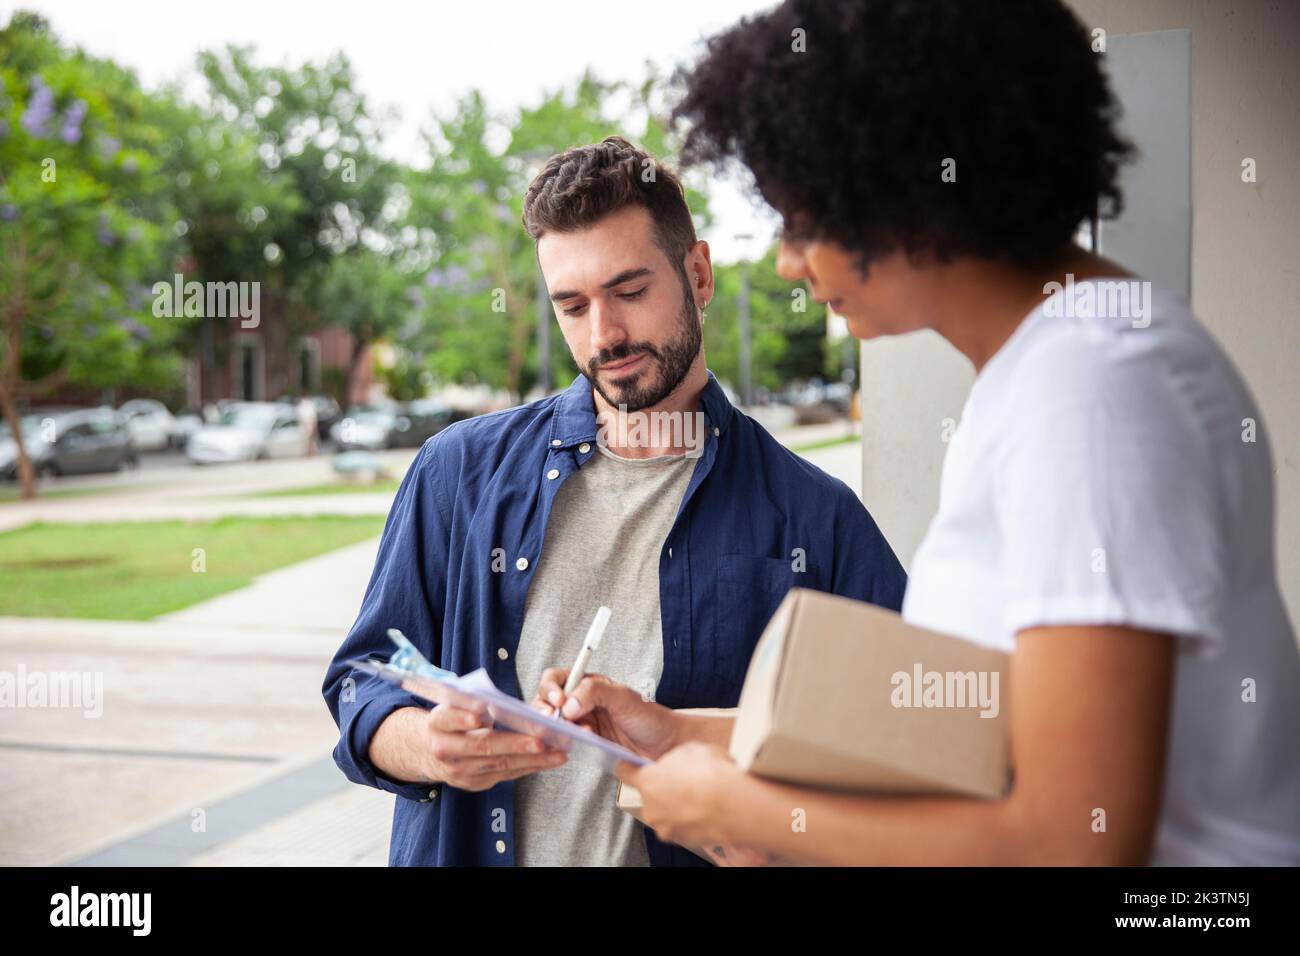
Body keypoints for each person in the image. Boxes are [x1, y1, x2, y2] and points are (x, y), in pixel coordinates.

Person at [543, 0, 1300, 866]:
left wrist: (746, 813)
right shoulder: (1047, 370)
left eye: (801, 219)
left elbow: (1073, 841)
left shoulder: (1091, 391)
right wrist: (686, 734)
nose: (790, 262)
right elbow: (993, 729)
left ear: (902, 191)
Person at [321, 136, 907, 866]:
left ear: (697, 274)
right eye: (572, 305)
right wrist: (425, 747)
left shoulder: (817, 519)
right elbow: (360, 681)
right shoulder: (457, 474)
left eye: (630, 291)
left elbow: (899, 747)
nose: (605, 337)